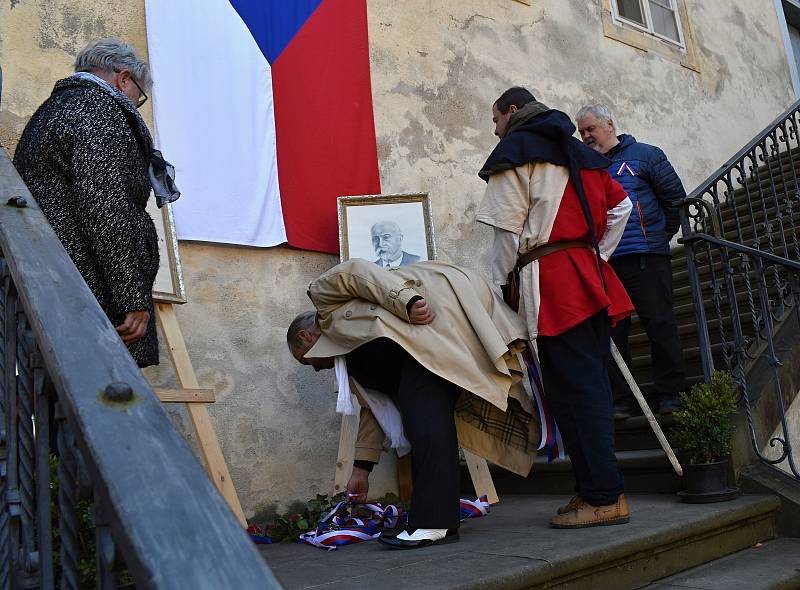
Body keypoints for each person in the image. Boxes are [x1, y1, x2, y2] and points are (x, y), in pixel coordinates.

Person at [287, 258, 538, 548]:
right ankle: (435, 521)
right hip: (423, 356)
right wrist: (361, 471)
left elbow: (356, 272)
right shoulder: (353, 363)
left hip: (434, 332)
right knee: (425, 424)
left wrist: (407, 301)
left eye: (306, 361)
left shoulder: (323, 299)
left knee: (426, 424)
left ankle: (434, 522)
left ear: (306, 337)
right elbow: (376, 409)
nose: (317, 369)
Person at [477, 86, 634, 528]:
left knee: (578, 394)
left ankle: (604, 495)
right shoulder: (580, 154)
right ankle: (595, 491)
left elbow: (507, 236)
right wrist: (595, 255)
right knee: (580, 391)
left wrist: (494, 291)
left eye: (495, 119)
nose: (494, 129)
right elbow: (621, 207)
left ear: (512, 112)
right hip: (586, 278)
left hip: (554, 286)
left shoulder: (516, 152)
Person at [13, 38, 179, 367]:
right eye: (139, 97)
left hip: (58, 282)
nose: (135, 105)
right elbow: (105, 207)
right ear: (123, 79)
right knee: (102, 392)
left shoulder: (57, 108)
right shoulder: (100, 109)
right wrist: (131, 296)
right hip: (91, 293)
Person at [576, 104, 686, 417]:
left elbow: (674, 201)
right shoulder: (586, 168)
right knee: (612, 335)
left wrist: (655, 238)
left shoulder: (646, 155)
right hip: (606, 264)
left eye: (590, 129)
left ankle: (671, 394)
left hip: (646, 257)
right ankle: (622, 400)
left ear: (608, 124)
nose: (585, 137)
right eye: (581, 132)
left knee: (660, 324)